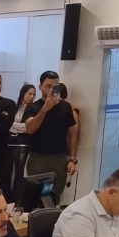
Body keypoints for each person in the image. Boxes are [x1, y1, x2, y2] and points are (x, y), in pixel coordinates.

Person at [22, 70, 77, 202]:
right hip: (38, 158)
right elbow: (30, 129)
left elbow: (72, 134)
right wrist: (45, 108)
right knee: (33, 197)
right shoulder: (33, 107)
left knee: (54, 198)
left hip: (60, 157)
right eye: (48, 86)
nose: (52, 90)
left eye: (55, 86)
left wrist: (72, 159)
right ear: (40, 86)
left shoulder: (65, 107)